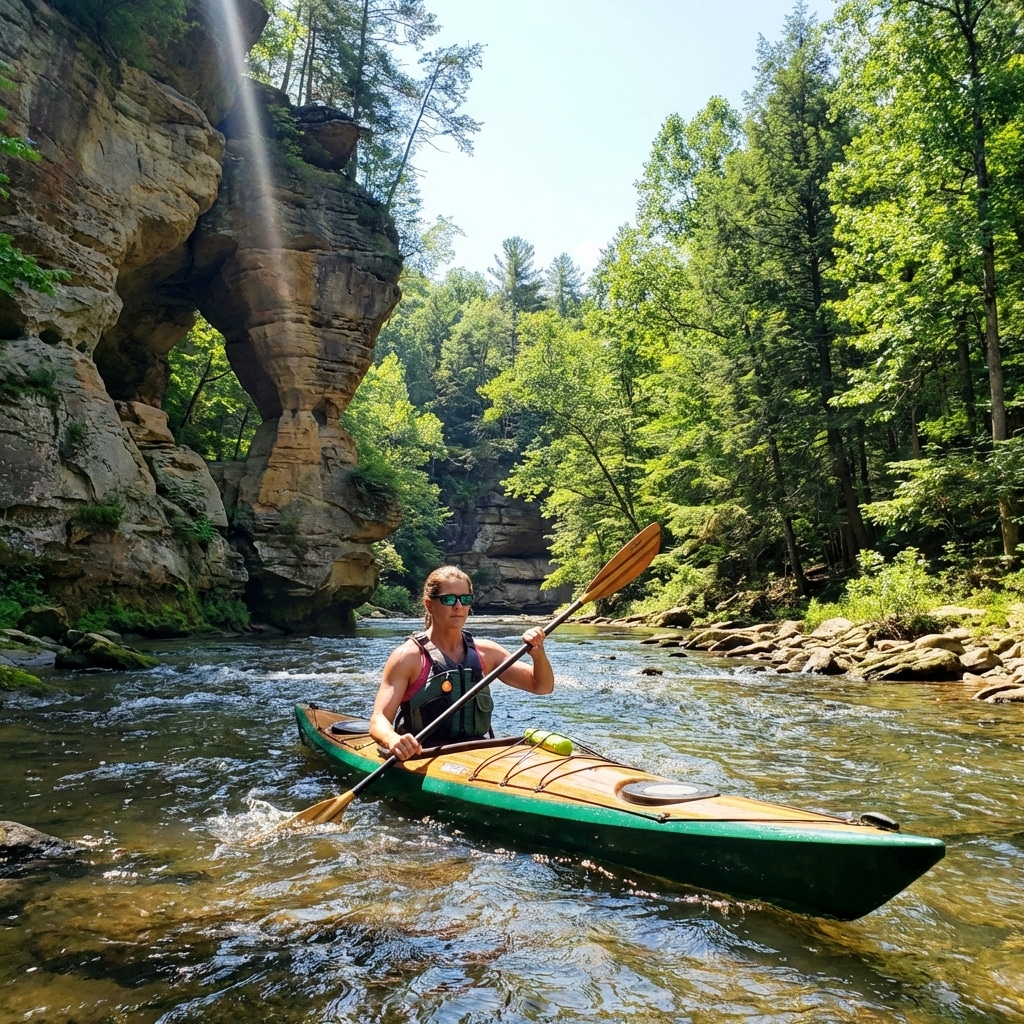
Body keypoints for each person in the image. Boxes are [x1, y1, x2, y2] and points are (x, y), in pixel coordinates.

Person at [370, 565, 553, 761]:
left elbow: (542, 686)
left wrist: (538, 653)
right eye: (449, 599)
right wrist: (392, 739)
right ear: (429, 605)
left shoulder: (487, 652)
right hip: (423, 755)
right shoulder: (408, 657)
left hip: (478, 753)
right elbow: (378, 719)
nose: (458, 606)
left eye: (465, 599)